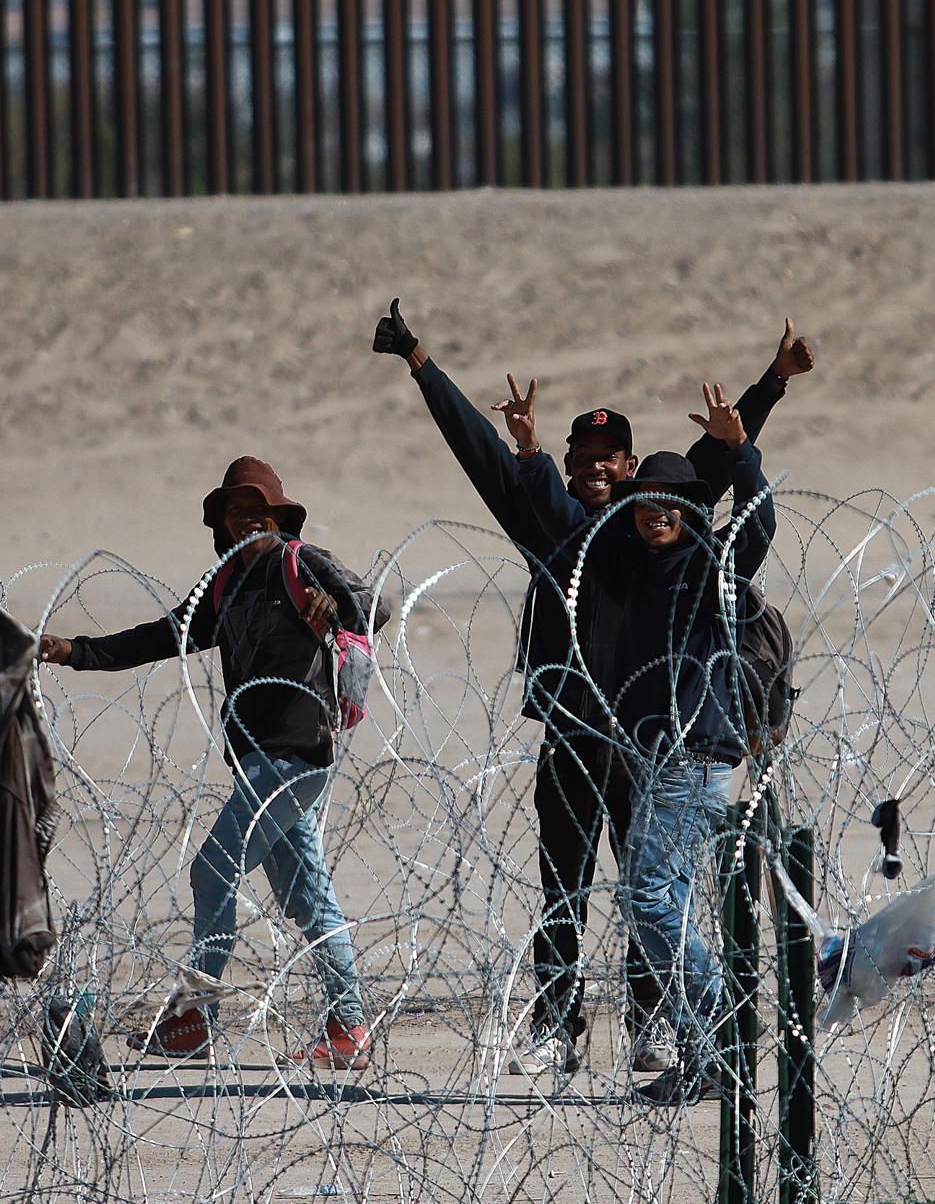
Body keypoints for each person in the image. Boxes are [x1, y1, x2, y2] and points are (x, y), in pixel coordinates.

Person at [374, 299, 812, 1077]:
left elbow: (716, 462)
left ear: (634, 469)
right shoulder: (559, 530)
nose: (600, 467)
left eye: (614, 457)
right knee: (565, 888)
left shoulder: (661, 530)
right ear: (569, 464)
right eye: (585, 456)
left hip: (653, 741)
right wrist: (422, 365)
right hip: (576, 737)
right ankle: (557, 1024)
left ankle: (657, 1023)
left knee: (652, 891)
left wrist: (772, 382)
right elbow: (479, 452)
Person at [40, 457, 391, 1071]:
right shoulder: (226, 584)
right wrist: (74, 651)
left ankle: (193, 1018)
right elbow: (161, 636)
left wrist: (332, 608)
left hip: (296, 756)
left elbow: (374, 607)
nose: (248, 519)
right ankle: (349, 1028)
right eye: (236, 510)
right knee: (308, 899)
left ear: (279, 517)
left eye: (259, 509)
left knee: (212, 870)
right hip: (256, 760)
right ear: (223, 523)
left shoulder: (302, 562)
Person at [512, 376, 780, 1104]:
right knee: (665, 902)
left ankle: (724, 1017)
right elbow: (557, 513)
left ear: (692, 509)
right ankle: (706, 1054)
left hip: (692, 757)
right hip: (650, 756)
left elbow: (758, 524)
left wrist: (741, 450)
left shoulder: (713, 565)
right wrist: (532, 456)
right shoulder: (617, 561)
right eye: (645, 502)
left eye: (672, 502)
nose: (656, 511)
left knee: (648, 901)